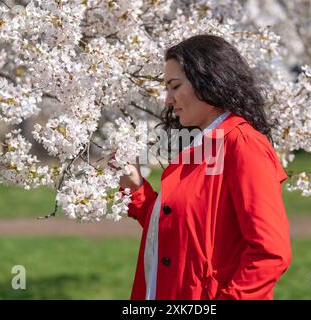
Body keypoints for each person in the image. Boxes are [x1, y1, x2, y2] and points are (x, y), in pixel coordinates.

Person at [119, 34, 291, 300]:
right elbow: (182, 229)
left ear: (207, 81)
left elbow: (270, 253)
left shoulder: (243, 145)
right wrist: (137, 190)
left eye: (174, 86)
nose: (167, 100)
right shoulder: (201, 143)